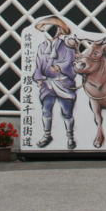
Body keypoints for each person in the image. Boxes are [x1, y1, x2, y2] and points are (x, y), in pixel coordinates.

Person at [32, 17, 79, 149]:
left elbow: (70, 62)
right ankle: (47, 135)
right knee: (46, 110)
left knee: (67, 112)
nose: (48, 31)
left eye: (51, 28)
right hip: (47, 84)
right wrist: (39, 78)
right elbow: (39, 64)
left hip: (64, 83)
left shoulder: (67, 46)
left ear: (59, 31)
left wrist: (59, 67)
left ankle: (70, 137)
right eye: (46, 29)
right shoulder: (42, 46)